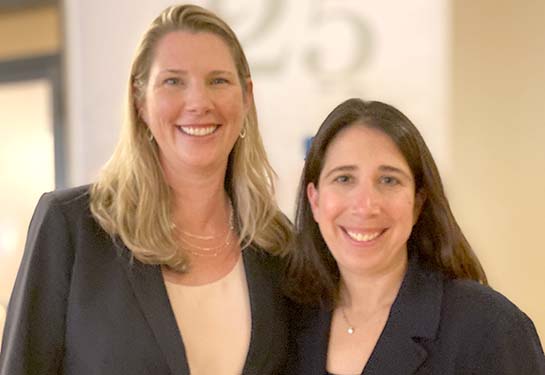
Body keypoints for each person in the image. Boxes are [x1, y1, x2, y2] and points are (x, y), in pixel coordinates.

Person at [0, 4, 293, 374]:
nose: (199, 102)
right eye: (173, 81)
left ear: (246, 97)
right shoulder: (72, 227)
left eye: (218, 80)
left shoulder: (276, 245)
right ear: (140, 101)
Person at [284, 98, 545, 374]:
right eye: (344, 179)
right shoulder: (290, 325)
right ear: (314, 200)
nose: (365, 205)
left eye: (388, 180)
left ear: (418, 202)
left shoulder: (490, 327)